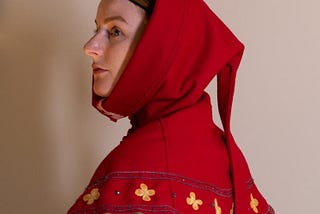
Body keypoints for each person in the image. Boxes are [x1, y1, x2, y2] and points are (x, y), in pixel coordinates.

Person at [68, 0, 274, 213]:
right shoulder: (223, 156)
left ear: (161, 45)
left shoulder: (135, 167)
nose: (89, 47)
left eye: (115, 31)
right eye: (97, 29)